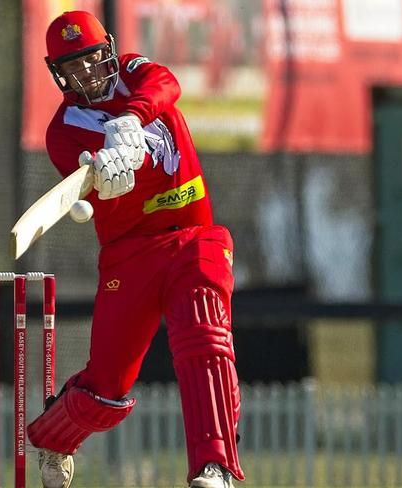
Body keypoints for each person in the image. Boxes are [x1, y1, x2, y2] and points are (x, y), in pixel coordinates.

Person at [26, 11, 245, 488]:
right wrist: (105, 175)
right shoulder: (63, 132)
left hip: (193, 235)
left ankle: (215, 467)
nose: (85, 73)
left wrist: (129, 119)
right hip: (131, 254)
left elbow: (166, 84)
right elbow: (89, 187)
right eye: (73, 67)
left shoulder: (134, 72)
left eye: (90, 59)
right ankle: (53, 437)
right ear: (58, 73)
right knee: (107, 391)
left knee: (205, 335)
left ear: (107, 49)